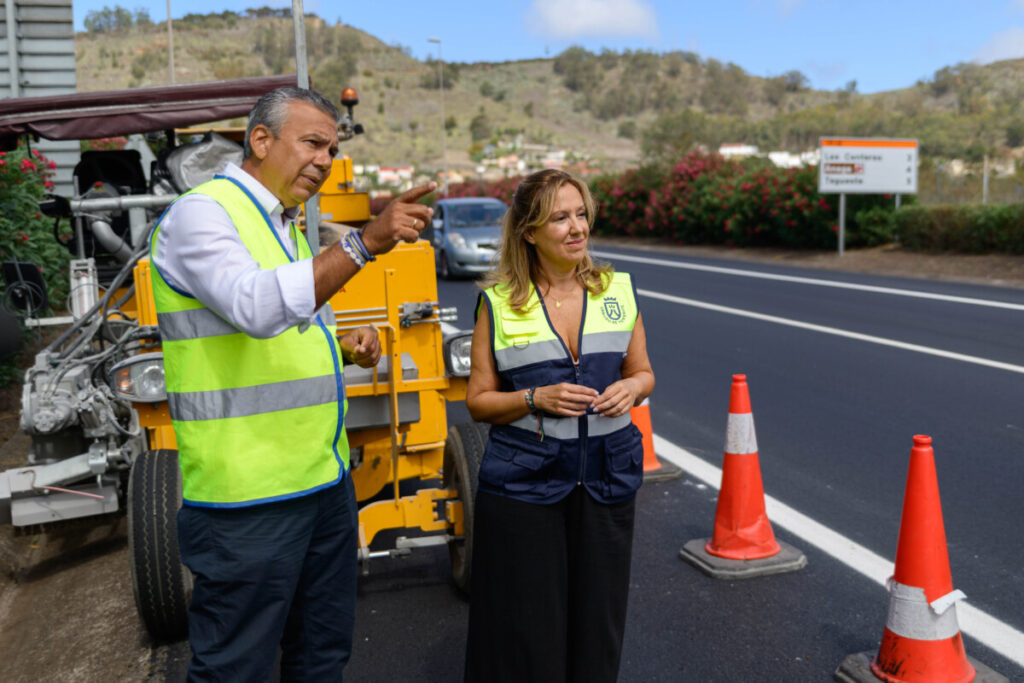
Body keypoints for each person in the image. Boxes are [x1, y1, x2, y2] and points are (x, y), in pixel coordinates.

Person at [149, 86, 435, 681]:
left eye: (331, 149)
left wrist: (341, 346)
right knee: (236, 667)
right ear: (260, 140)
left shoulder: (282, 224)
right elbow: (254, 307)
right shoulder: (204, 213)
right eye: (312, 143)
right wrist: (366, 241)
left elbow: (280, 332)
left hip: (322, 485)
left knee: (321, 654)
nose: (326, 161)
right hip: (248, 501)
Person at [463, 169, 655, 682]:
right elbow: (478, 402)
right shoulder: (498, 304)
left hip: (606, 484)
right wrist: (532, 397)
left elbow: (643, 373)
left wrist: (631, 390)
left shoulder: (619, 290)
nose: (577, 228)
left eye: (581, 214)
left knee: (599, 623)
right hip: (524, 489)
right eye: (560, 218)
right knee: (527, 629)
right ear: (529, 232)